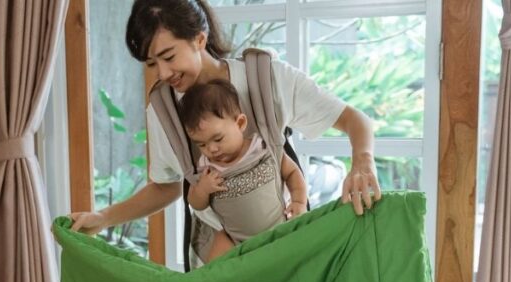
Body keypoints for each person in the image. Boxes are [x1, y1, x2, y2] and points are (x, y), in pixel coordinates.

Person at [70, 0, 382, 259]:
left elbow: (355, 120)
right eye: (151, 63)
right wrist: (103, 217)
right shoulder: (162, 111)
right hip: (222, 255)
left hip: (285, 241)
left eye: (168, 56)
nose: (163, 73)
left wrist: (363, 161)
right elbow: (166, 186)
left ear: (199, 40)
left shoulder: (266, 78)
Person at [178, 79, 307, 262]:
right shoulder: (206, 168)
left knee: (301, 250)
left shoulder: (263, 148)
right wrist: (203, 190)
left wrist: (299, 201)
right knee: (216, 263)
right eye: (202, 144)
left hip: (278, 229)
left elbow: (292, 172)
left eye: (218, 139)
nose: (212, 149)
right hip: (235, 241)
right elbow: (196, 203)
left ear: (240, 123)